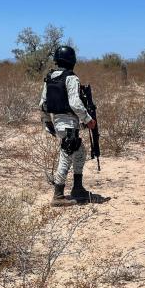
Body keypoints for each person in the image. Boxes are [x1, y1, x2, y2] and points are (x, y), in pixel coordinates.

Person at [39, 46, 107, 205]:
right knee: (66, 155)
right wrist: (88, 119)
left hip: (58, 122)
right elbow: (75, 103)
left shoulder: (50, 77)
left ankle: (77, 188)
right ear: (72, 60)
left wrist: (47, 122)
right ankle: (58, 195)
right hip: (69, 123)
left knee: (80, 152)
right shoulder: (71, 78)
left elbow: (42, 104)